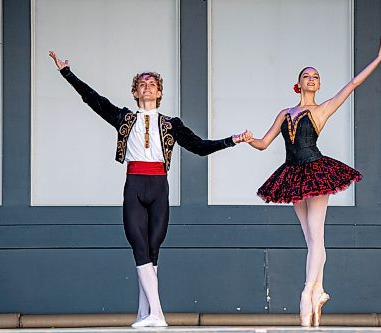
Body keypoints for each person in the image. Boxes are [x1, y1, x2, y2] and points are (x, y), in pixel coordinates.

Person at [49, 51, 251, 328]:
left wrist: (232, 140)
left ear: (159, 93)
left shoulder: (171, 124)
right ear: (134, 92)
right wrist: (67, 73)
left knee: (153, 249)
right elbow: (93, 100)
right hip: (134, 184)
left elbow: (199, 147)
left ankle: (144, 313)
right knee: (138, 245)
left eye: (152, 84)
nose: (147, 87)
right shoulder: (124, 118)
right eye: (142, 84)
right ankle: (158, 313)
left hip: (159, 186)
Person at [246, 33, 381, 327]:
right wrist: (248, 140)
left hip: (315, 171)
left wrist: (378, 58)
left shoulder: (321, 109)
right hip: (291, 174)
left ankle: (306, 294)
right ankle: (319, 291)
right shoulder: (285, 113)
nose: (311, 79)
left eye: (315, 76)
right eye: (306, 76)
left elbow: (351, 85)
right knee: (311, 240)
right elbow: (263, 143)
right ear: (297, 84)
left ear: (319, 84)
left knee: (317, 236)